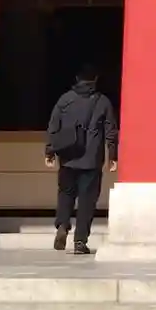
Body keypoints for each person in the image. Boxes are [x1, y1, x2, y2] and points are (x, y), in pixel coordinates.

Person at [42, 66, 117, 255]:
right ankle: (80, 242)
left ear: (76, 79)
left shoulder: (65, 99)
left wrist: (50, 151)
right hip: (91, 160)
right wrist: (112, 155)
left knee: (65, 194)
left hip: (68, 158)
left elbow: (53, 126)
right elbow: (111, 131)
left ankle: (62, 225)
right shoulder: (102, 102)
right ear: (96, 79)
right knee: (87, 201)